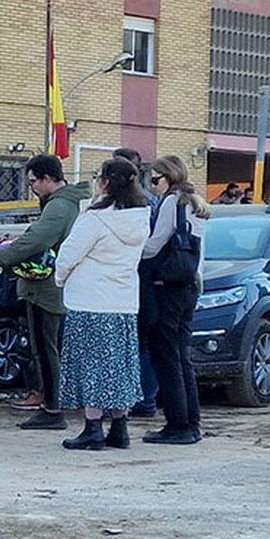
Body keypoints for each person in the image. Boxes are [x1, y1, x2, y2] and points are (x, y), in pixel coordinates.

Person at [53, 157, 151, 450]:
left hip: (90, 300)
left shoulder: (96, 218)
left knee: (91, 364)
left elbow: (68, 255)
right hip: (123, 302)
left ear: (106, 182)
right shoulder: (139, 217)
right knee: (118, 365)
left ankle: (93, 427)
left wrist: (60, 278)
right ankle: (120, 428)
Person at [0, 154, 89, 429]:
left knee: (46, 350)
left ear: (47, 179)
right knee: (48, 348)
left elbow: (39, 239)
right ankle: (52, 405)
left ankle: (52, 409)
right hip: (54, 287)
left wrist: (1, 258)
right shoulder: (68, 203)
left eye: (33, 182)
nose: (32, 187)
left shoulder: (59, 206)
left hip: (46, 289)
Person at [143, 155, 210, 445]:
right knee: (182, 357)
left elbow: (155, 244)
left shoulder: (172, 202)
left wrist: (124, 249)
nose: (153, 185)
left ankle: (177, 424)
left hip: (168, 287)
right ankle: (190, 422)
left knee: (167, 356)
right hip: (188, 286)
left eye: (155, 180)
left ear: (169, 177)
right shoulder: (196, 202)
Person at [115, 147, 161, 418]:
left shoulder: (126, 206)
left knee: (137, 344)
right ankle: (142, 399)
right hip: (139, 280)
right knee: (140, 344)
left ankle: (138, 399)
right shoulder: (150, 202)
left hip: (134, 281)